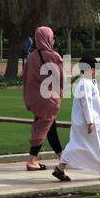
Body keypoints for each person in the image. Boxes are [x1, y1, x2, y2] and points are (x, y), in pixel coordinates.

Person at [52, 56, 100, 182]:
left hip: (87, 121)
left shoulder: (87, 82)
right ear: (91, 69)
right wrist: (90, 122)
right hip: (90, 122)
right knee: (99, 143)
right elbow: (86, 103)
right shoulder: (85, 84)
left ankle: (60, 168)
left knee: (77, 144)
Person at [23, 26, 64, 171]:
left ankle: (62, 157)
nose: (53, 40)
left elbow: (26, 79)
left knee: (50, 127)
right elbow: (60, 79)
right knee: (42, 128)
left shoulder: (32, 57)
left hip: (35, 99)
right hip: (49, 99)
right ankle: (31, 160)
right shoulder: (54, 56)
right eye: (52, 37)